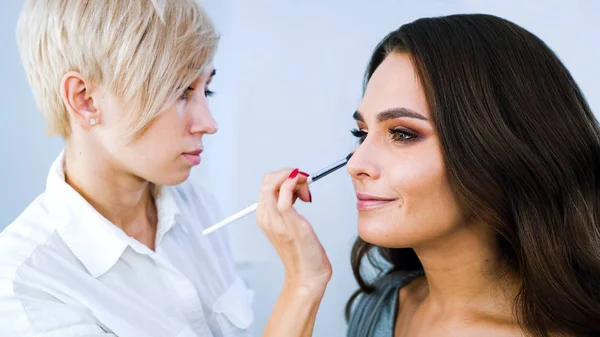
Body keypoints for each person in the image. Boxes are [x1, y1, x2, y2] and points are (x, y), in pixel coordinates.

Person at [256, 14, 600, 337]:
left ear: (499, 151)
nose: (355, 163)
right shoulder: (383, 303)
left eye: (402, 133)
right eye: (362, 133)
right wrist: (303, 282)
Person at [0, 1, 254, 336]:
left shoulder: (199, 207)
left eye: (207, 89)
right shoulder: (27, 281)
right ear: (85, 99)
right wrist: (302, 285)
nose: (208, 123)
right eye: (180, 92)